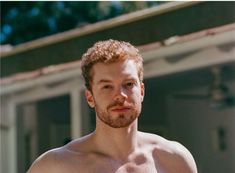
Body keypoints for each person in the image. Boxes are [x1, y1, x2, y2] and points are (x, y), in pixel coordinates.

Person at [28, 39, 198, 173]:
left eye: (129, 84)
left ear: (142, 91)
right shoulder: (55, 167)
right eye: (107, 86)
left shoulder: (175, 159)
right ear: (90, 97)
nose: (120, 95)